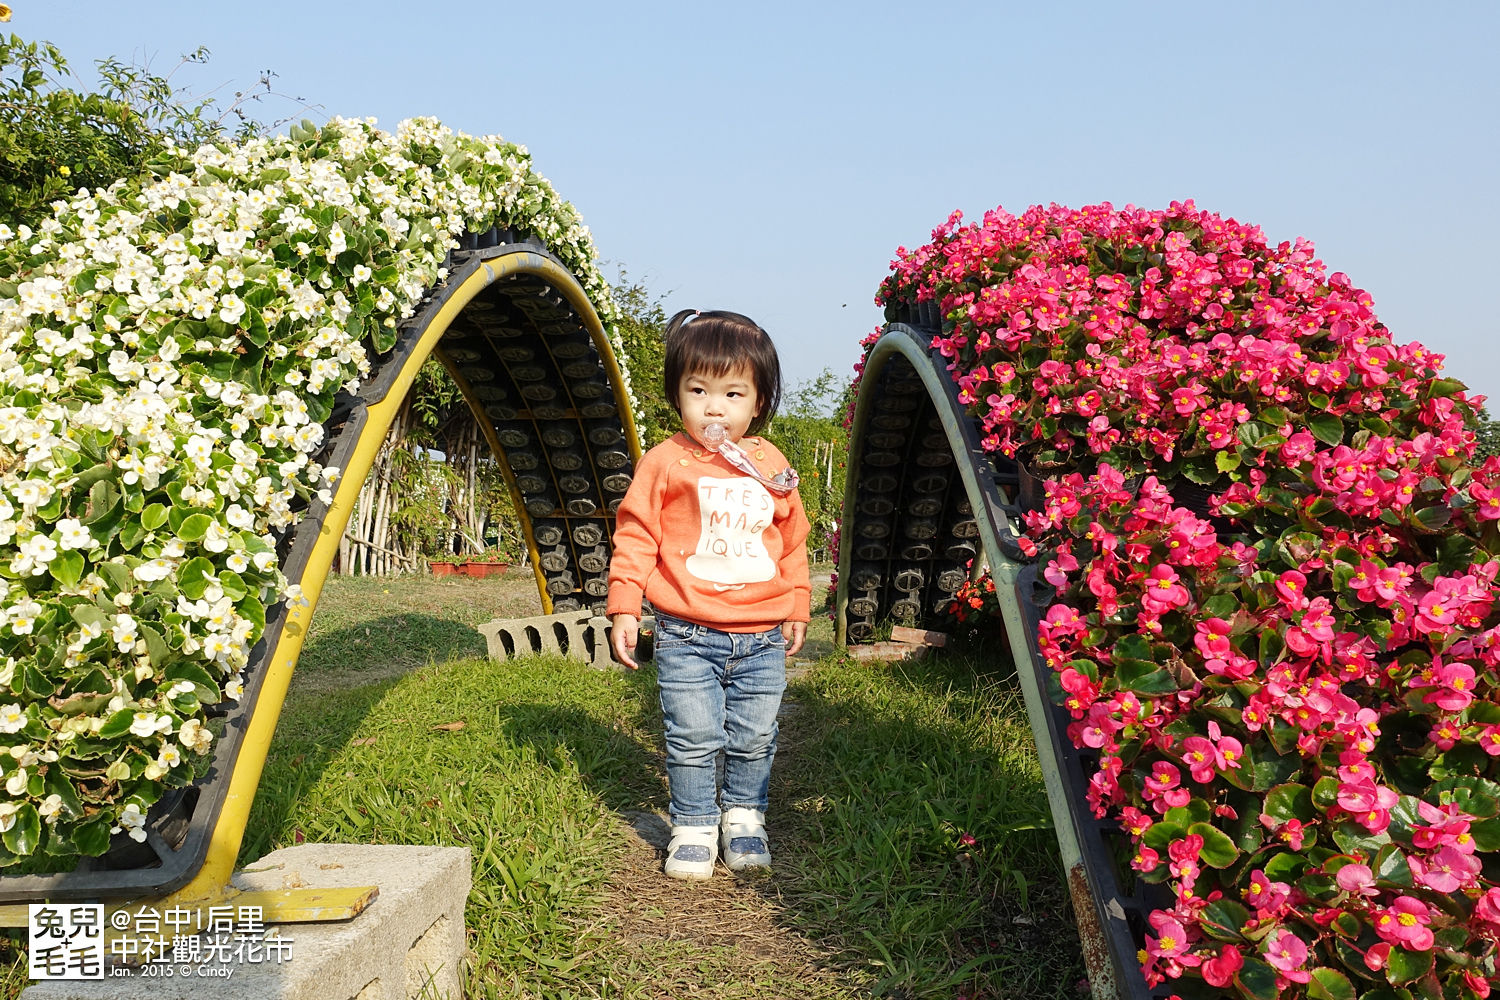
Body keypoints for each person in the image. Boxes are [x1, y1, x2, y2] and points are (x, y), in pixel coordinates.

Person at [607, 308, 810, 880]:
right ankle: (694, 822)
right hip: (686, 633)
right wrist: (626, 603)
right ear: (677, 394)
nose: (714, 407)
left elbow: (792, 541)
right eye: (698, 390)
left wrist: (796, 602)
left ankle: (744, 817)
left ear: (759, 402)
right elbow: (637, 533)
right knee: (693, 733)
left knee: (755, 733)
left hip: (761, 635)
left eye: (732, 393)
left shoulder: (770, 465)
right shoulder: (667, 462)